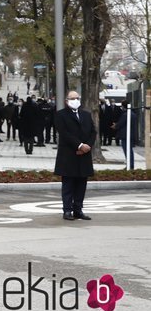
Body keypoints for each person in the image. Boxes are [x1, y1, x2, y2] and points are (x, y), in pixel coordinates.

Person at [53, 91, 96, 220]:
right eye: (72, 98)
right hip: (68, 155)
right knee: (68, 184)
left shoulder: (86, 115)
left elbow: (93, 132)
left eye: (77, 98)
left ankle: (78, 209)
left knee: (81, 184)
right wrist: (79, 145)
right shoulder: (61, 115)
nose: (75, 100)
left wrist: (87, 146)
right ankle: (67, 210)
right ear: (66, 101)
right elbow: (64, 133)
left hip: (84, 155)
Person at [115, 103, 139, 169]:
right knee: (130, 150)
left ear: (123, 106)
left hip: (125, 136)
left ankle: (130, 165)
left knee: (127, 151)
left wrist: (115, 126)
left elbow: (120, 124)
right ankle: (131, 165)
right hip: (131, 135)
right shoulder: (134, 114)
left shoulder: (125, 115)